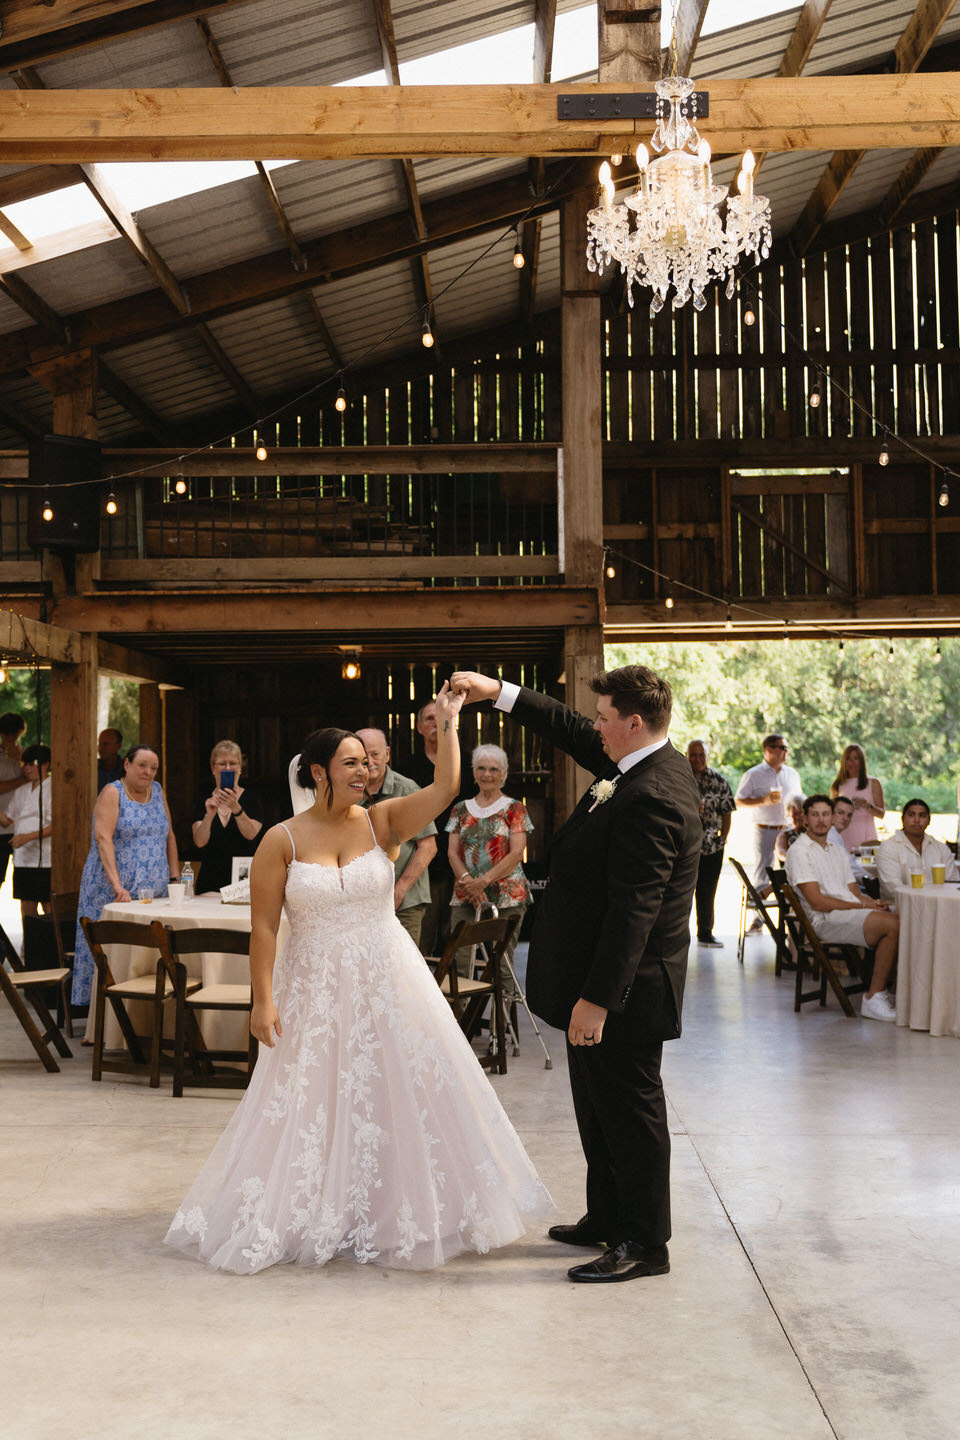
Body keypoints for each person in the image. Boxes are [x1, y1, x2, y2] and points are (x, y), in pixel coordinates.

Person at [165, 683, 552, 1274]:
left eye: (367, 762)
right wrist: (262, 1002)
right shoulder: (281, 840)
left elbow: (446, 788)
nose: (365, 771)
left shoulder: (382, 822)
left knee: (401, 1091)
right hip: (314, 986)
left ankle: (398, 1206)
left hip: (388, 979)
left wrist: (447, 721)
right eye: (351, 762)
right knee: (314, 1098)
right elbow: (265, 929)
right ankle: (315, 1208)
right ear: (318, 772)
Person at [451, 664, 701, 1285]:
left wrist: (597, 1000)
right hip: (599, 982)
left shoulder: (654, 795)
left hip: (627, 990)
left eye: (604, 719)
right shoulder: (632, 763)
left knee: (631, 1110)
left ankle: (645, 1242)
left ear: (633, 723)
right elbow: (565, 724)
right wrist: (497, 692)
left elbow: (634, 914)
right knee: (596, 1104)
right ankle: (609, 1214)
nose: (595, 728)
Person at [71, 745, 181, 1015]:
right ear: (127, 765)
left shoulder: (158, 792)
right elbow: (102, 837)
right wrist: (117, 886)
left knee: (143, 951)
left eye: (153, 768)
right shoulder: (112, 792)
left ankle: (137, 1016)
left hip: (153, 890)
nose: (148, 772)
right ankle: (99, 1022)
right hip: (111, 889)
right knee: (110, 950)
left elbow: (169, 835)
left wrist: (175, 878)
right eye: (142, 765)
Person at [785, 795, 899, 1023]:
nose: (821, 820)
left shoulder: (836, 850)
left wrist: (871, 903)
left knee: (898, 917)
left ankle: (887, 991)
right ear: (805, 819)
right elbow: (817, 902)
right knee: (893, 925)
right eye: (815, 814)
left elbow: (853, 891)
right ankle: (874, 997)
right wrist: (862, 905)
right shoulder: (800, 851)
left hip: (846, 913)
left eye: (826, 814)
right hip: (824, 920)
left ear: (832, 817)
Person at [446, 743, 533, 985]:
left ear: (503, 774)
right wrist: (468, 884)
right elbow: (452, 854)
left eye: (494, 769)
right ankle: (462, 1022)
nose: (487, 774)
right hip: (466, 895)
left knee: (501, 964)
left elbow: (516, 853)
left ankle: (503, 1022)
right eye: (482, 768)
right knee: (460, 964)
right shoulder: (460, 809)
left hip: (506, 895)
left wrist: (482, 882)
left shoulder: (514, 808)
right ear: (473, 771)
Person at [398, 699, 471, 956]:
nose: (434, 723)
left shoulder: (468, 763)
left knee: (455, 933)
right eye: (429, 718)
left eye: (439, 718)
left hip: (462, 859)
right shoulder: (406, 769)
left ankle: (454, 990)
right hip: (424, 859)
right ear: (419, 727)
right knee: (425, 932)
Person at [355, 726, 436, 949]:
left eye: (375, 754)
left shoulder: (408, 789)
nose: (369, 762)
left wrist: (399, 891)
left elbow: (428, 847)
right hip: (362, 903)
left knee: (404, 971)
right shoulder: (348, 792)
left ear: (387, 754)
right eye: (362, 757)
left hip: (405, 902)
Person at [735, 735, 803, 904]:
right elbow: (738, 800)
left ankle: (789, 918)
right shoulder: (753, 774)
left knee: (791, 874)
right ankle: (758, 920)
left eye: (786, 748)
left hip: (788, 831)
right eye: (783, 747)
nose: (786, 751)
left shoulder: (792, 774)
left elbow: (799, 800)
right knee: (763, 873)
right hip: (765, 830)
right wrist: (763, 800)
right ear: (769, 750)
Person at [192, 740, 264, 893]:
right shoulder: (203, 799)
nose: (228, 768)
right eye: (222, 764)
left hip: (243, 881)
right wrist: (209, 815)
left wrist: (236, 808)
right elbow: (199, 841)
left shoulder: (251, 798)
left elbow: (251, 834)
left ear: (240, 768)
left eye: (233, 763)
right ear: (213, 768)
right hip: (209, 880)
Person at [686, 739, 734, 947]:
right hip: (685, 847)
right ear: (687, 755)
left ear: (707, 756)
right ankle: (676, 937)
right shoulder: (679, 778)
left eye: (701, 755)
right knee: (682, 892)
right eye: (693, 755)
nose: (697, 759)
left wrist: (723, 838)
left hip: (712, 847)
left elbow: (727, 812)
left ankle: (705, 932)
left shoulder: (718, 780)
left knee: (708, 891)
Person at [0, 743, 52, 919]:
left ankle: (52, 946)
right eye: (25, 764)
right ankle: (30, 946)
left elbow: (56, 825)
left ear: (45, 764)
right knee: (27, 910)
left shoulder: (53, 788)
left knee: (49, 909)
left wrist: (27, 837)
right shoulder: (21, 791)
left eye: (31, 764)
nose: (27, 768)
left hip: (45, 858)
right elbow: (7, 821)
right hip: (23, 859)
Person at [876, 798, 958, 905]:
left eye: (922, 816)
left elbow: (954, 883)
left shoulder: (941, 848)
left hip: (939, 907)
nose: (916, 820)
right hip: (900, 909)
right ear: (902, 819)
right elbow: (892, 889)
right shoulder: (889, 847)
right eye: (911, 815)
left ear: (929, 821)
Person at [830, 744, 884, 852]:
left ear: (862, 762)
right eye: (848, 759)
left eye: (856, 758)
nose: (852, 763)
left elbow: (881, 814)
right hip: (843, 836)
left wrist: (866, 805)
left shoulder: (873, 783)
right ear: (844, 762)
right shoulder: (838, 785)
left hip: (866, 837)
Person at [0, 711, 27, 890]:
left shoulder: (25, 756)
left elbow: (37, 782)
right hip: (1, 825)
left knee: (26, 879)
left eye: (14, 734)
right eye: (8, 734)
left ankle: (32, 918)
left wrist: (22, 762)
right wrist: (22, 780)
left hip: (22, 826)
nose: (11, 738)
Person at [829, 796, 869, 889]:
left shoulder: (834, 834)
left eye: (849, 815)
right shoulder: (830, 836)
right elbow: (850, 867)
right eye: (840, 813)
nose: (845, 818)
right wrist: (870, 880)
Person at [774, 795, 806, 863]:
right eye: (795, 814)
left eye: (801, 813)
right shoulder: (784, 835)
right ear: (789, 815)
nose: (798, 817)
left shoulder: (815, 832)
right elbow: (781, 852)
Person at [96, 728, 124, 792]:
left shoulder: (127, 771)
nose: (101, 748)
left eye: (106, 744)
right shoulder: (91, 769)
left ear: (119, 746)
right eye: (100, 743)